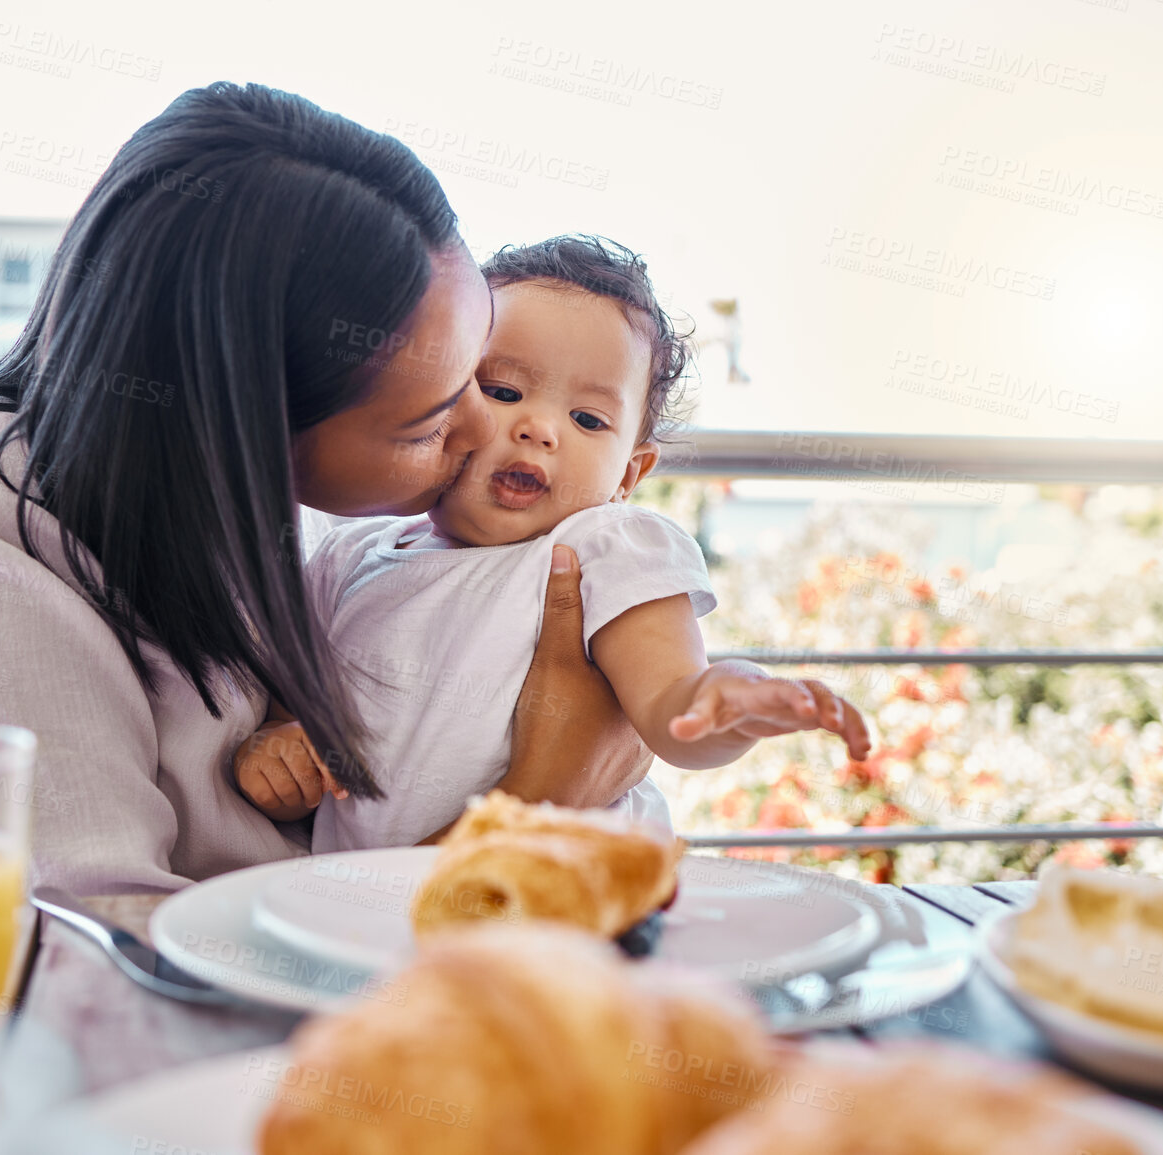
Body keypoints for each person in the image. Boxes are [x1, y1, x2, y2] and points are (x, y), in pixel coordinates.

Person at [0, 84, 653, 895]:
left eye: (481, 375)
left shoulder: (220, 485)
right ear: (251, 420)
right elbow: (101, 960)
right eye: (428, 425)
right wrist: (540, 805)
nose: (487, 431)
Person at [232, 236, 871, 851]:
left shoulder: (605, 546)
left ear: (629, 474)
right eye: (503, 391)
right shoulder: (350, 558)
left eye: (588, 419)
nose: (539, 429)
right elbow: (296, 707)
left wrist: (728, 701)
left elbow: (673, 713)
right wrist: (281, 749)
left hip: (568, 896)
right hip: (369, 919)